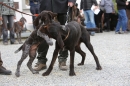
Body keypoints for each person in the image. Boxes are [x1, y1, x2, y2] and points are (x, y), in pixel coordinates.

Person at [34, 0, 75, 71]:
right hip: (45, 6)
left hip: (62, 6)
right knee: (43, 34)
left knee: (63, 34)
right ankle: (41, 61)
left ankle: (62, 59)